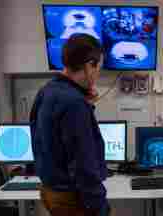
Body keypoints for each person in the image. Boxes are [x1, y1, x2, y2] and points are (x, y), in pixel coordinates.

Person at [30, 33, 108, 216]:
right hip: (73, 197)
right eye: (99, 69)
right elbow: (82, 162)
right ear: (89, 66)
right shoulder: (74, 103)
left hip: (51, 191)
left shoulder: (47, 91)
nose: (97, 75)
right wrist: (100, 205)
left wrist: (85, 104)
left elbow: (40, 137)